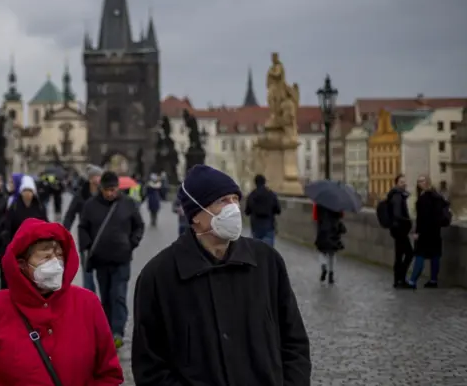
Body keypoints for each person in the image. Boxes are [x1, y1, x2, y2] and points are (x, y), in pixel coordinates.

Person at [132, 164, 311, 385]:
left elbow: (294, 341)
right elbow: (150, 367)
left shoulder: (267, 262)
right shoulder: (158, 276)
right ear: (195, 215)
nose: (233, 208)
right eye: (222, 201)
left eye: (235, 199)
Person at [0, 218, 124, 385]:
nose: (55, 264)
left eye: (59, 256)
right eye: (45, 257)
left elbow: (108, 373)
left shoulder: (87, 303)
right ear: (22, 264)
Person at [79, 171, 145, 349]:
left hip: (122, 258)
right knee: (106, 296)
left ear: (118, 188)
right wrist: (87, 247)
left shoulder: (128, 204)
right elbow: (83, 227)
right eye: (107, 190)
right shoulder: (90, 205)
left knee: (119, 295)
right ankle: (107, 329)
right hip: (100, 259)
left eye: (113, 189)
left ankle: (118, 331)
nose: (110, 193)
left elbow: (139, 226)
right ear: (101, 188)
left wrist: (131, 243)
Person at [62, 164, 103, 293]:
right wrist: (64, 233)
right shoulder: (81, 195)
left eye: (100, 176)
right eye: (97, 176)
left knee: (103, 274)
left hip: (104, 238)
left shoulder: (105, 194)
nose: (99, 179)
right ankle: (90, 300)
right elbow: (70, 215)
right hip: (86, 239)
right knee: (88, 273)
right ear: (90, 179)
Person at [408, 175, 446, 289]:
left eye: (422, 181)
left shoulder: (423, 199)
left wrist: (417, 232)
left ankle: (412, 280)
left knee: (419, 255)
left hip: (425, 233)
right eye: (419, 181)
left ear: (427, 182)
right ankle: (433, 280)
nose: (421, 183)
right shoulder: (438, 196)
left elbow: (422, 218)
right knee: (435, 256)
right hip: (435, 232)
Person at [388, 174, 413, 288]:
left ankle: (397, 280)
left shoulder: (396, 194)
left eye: (404, 182)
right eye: (401, 182)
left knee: (399, 255)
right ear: (397, 183)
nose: (404, 184)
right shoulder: (397, 196)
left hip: (396, 229)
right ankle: (401, 278)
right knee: (409, 253)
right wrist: (408, 220)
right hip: (400, 229)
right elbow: (397, 214)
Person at [6, 175, 48, 243]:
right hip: (18, 242)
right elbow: (9, 228)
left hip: (35, 242)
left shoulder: (40, 207)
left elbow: (45, 224)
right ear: (21, 192)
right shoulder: (14, 207)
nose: (27, 193)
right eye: (25, 190)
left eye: (30, 191)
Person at [244, 173, 281, 246]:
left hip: (256, 227)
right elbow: (278, 210)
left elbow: (247, 212)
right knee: (268, 251)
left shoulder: (252, 195)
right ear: (265, 182)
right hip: (269, 226)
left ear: (255, 182)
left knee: (257, 250)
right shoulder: (271, 194)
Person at [314, 204, 345, 284]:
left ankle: (324, 267)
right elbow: (341, 215)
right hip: (334, 229)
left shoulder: (319, 202)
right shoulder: (337, 202)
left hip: (322, 229)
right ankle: (331, 274)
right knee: (332, 253)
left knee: (322, 251)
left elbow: (315, 216)